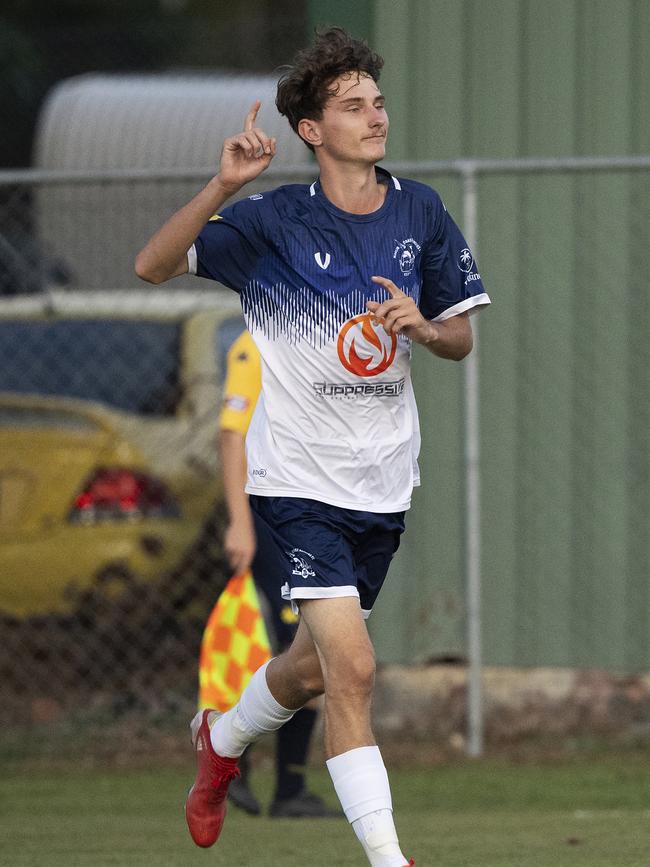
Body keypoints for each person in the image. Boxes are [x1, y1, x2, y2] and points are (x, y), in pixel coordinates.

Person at [135, 25, 490, 867]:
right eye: (352, 105)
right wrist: (221, 184)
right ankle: (391, 859)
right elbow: (152, 264)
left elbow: (460, 339)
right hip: (295, 481)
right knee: (355, 669)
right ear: (310, 129)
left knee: (309, 670)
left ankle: (221, 741)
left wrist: (425, 329)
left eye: (378, 101)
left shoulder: (420, 210)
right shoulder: (270, 221)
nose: (375, 116)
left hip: (382, 480)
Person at [201, 327, 336, 818]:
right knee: (304, 648)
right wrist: (240, 523)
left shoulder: (317, 335)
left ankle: (284, 786)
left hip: (310, 511)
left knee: (311, 648)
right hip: (269, 516)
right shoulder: (253, 344)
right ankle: (231, 754)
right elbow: (231, 432)